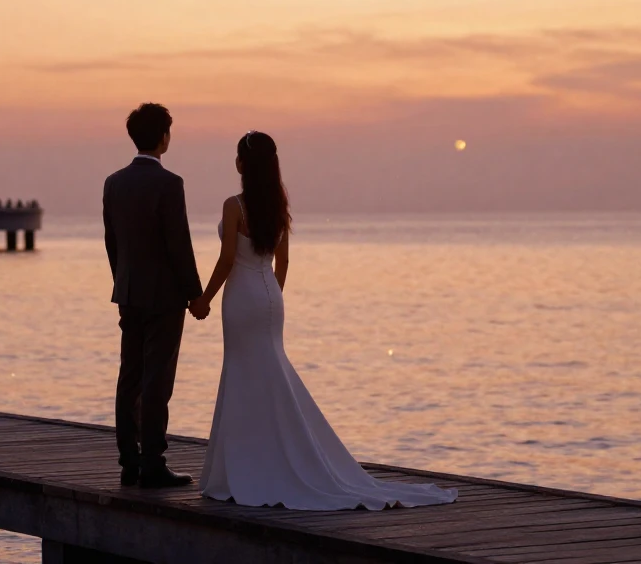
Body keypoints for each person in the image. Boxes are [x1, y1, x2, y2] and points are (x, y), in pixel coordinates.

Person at [192, 131, 458, 510]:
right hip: (270, 296)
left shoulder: (234, 205)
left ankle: (246, 466)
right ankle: (269, 457)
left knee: (243, 374)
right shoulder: (278, 206)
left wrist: (204, 299)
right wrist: (272, 297)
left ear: (242, 164)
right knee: (268, 372)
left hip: (242, 297)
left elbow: (226, 259)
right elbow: (283, 262)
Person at [102, 103, 204, 488]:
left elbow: (112, 243)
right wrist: (195, 295)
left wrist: (123, 281)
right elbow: (179, 244)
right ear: (164, 137)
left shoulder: (114, 182)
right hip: (164, 297)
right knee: (157, 380)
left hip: (128, 292)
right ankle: (153, 463)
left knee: (129, 377)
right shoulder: (169, 183)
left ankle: (129, 462)